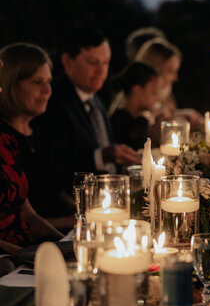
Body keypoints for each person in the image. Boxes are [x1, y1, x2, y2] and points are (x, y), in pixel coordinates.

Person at [36, 27, 140, 196]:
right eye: (93, 62)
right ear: (68, 61)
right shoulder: (52, 102)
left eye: (105, 63)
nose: (101, 70)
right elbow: (55, 165)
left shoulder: (96, 101)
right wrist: (103, 155)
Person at [0, 44, 63, 246]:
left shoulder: (38, 135)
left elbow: (29, 214)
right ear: (10, 83)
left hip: (32, 250)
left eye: (48, 82)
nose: (47, 90)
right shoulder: (6, 138)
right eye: (37, 82)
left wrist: (67, 246)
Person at [135, 37, 204, 131]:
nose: (175, 78)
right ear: (154, 69)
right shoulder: (137, 95)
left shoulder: (167, 95)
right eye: (170, 71)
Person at [109, 62, 162, 149]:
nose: (157, 98)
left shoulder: (139, 119)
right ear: (136, 90)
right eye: (153, 92)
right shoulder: (119, 120)